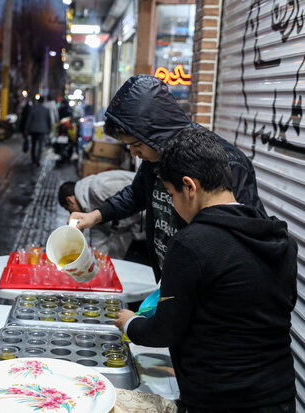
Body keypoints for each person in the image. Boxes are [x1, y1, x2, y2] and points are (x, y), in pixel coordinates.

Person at [115, 127, 297, 412]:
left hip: (217, 401)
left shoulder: (191, 245)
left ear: (190, 186)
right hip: (279, 398)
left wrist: (129, 323)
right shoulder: (280, 237)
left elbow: (165, 331)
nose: (173, 205)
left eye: (172, 194)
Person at [70, 74, 264, 281]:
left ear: (156, 135)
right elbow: (136, 195)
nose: (134, 153)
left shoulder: (227, 163)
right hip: (171, 275)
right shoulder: (155, 156)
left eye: (137, 145)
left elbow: (243, 238)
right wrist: (94, 216)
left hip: (204, 284)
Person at [58, 170, 145, 260]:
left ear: (70, 200)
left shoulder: (99, 186)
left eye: (68, 209)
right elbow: (99, 246)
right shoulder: (91, 215)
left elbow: (138, 196)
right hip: (141, 235)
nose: (70, 214)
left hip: (151, 221)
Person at [24, 96, 52, 166]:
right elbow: (49, 121)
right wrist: (49, 129)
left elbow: (28, 120)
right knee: (40, 145)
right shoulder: (46, 110)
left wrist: (26, 129)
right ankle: (38, 159)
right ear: (43, 102)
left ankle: (33, 159)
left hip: (33, 129)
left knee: (33, 145)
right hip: (42, 130)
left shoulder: (33, 109)